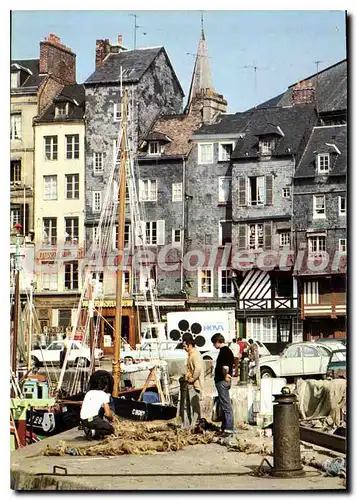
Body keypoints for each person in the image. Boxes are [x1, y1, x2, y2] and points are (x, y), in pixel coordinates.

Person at [80, 370, 115, 438]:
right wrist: (111, 418)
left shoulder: (89, 393)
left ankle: (88, 427)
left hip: (83, 420)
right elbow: (108, 414)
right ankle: (93, 432)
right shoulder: (104, 395)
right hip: (93, 419)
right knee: (111, 429)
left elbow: (83, 406)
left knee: (99, 414)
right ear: (105, 386)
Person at [211, 333, 235, 434]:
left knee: (226, 405)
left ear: (217, 341)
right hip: (223, 381)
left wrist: (225, 376)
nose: (213, 345)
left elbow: (225, 367)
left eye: (213, 343)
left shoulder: (224, 351)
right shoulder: (227, 351)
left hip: (222, 381)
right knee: (224, 404)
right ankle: (224, 426)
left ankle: (228, 428)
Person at [180, 338, 204, 427]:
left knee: (195, 407)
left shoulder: (195, 355)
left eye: (185, 346)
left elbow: (198, 369)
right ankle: (189, 425)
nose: (184, 348)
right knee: (188, 405)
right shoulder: (191, 355)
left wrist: (192, 379)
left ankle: (196, 425)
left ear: (190, 346)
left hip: (195, 384)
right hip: (190, 384)